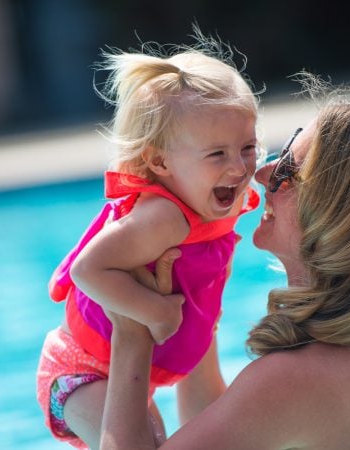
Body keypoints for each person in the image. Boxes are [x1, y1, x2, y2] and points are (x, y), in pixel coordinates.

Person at [99, 97, 350, 449]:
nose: (262, 175)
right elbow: (222, 427)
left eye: (288, 165)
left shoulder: (303, 378)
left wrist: (131, 331)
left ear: (340, 218)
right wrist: (196, 298)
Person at [35, 37, 261, 449]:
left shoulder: (219, 202)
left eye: (248, 147)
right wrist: (153, 310)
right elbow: (89, 270)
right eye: (217, 154)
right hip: (79, 370)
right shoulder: (162, 217)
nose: (239, 167)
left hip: (152, 363)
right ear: (160, 163)